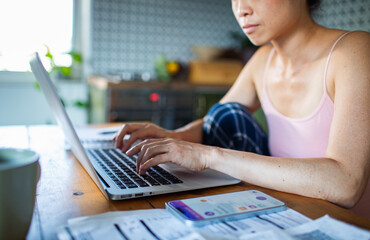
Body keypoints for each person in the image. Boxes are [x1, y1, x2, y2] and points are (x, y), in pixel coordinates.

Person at [114, 0, 370, 208]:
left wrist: (208, 155)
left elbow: (345, 184)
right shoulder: (263, 60)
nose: (241, 9)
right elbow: (214, 120)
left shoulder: (354, 51)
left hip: (343, 223)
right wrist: (172, 138)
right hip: (284, 208)